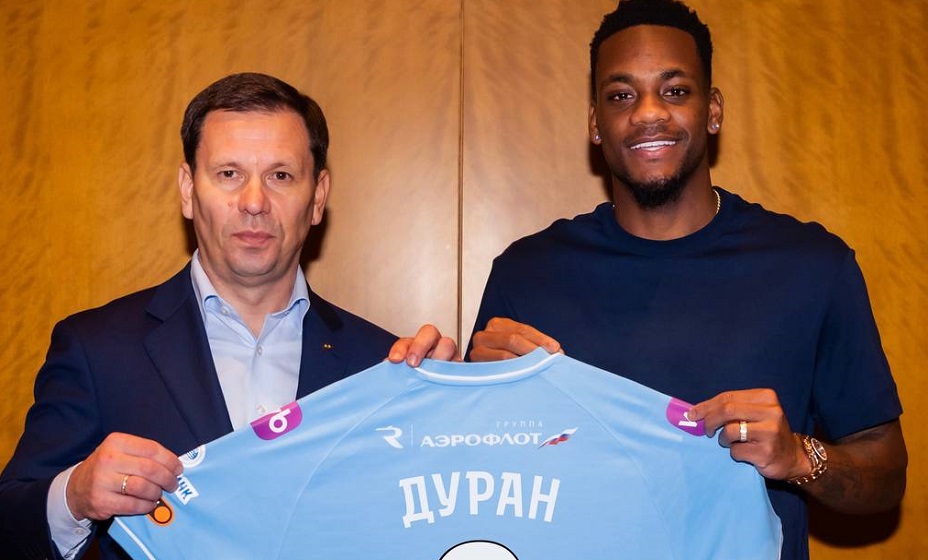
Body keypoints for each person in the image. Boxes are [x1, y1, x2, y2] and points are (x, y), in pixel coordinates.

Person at [465, 1, 907, 559]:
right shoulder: (527, 274)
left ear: (712, 110)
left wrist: (799, 457)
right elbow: (473, 477)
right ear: (595, 123)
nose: (648, 113)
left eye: (675, 90)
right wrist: (473, 400)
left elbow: (886, 477)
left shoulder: (813, 267)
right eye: (621, 96)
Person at [0, 72, 454, 560]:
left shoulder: (382, 367)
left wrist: (444, 414)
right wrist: (74, 496)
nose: (254, 202)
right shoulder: (98, 349)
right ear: (188, 189)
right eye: (229, 174)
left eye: (281, 176)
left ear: (318, 197)